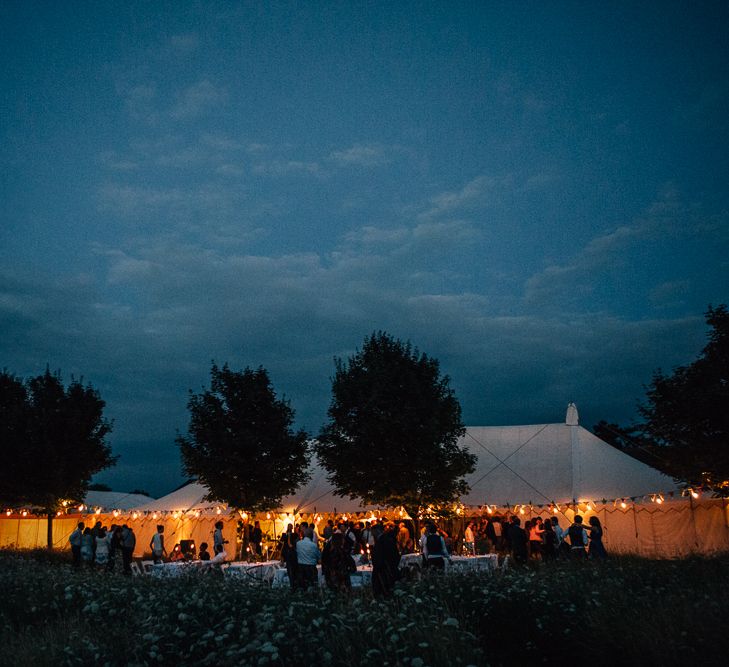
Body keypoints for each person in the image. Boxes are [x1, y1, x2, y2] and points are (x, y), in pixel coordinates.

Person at [372, 521, 400, 598]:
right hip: (387, 567)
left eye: (373, 533)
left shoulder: (383, 540)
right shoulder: (386, 539)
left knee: (385, 589)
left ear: (377, 531)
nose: (372, 535)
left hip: (384, 569)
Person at [280, 523, 299, 590]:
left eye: (291, 527)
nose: (290, 528)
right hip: (286, 551)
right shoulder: (284, 534)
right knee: (289, 568)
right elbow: (282, 542)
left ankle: (292, 584)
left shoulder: (294, 535)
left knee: (291, 569)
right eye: (289, 527)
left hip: (292, 552)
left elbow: (291, 544)